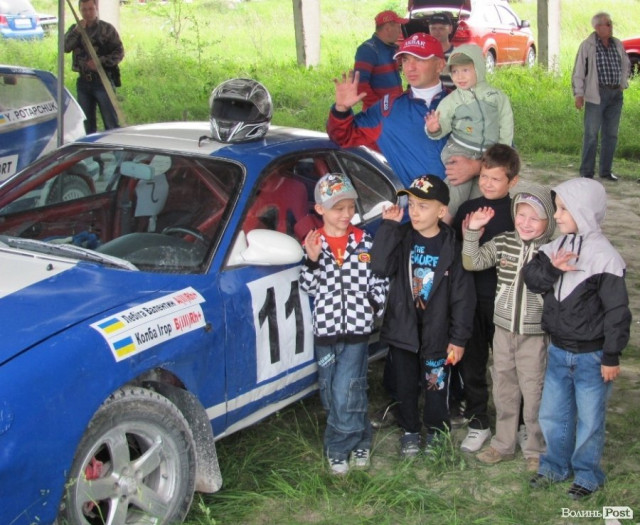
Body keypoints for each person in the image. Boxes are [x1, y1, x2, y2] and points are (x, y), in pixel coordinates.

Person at [523, 177, 631, 499]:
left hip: (591, 358)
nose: (556, 216)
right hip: (558, 350)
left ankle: (587, 473)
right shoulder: (555, 248)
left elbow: (617, 313)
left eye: (563, 209)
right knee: (553, 414)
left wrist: (611, 355)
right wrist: (553, 269)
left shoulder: (606, 258)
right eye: (556, 208)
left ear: (584, 210)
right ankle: (555, 466)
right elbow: (532, 279)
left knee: (590, 420)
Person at [370, 174, 475, 457]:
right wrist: (389, 227)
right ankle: (410, 431)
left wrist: (459, 339)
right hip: (403, 331)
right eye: (412, 204)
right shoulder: (402, 236)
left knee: (436, 386)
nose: (415, 212)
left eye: (423, 206)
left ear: (441, 211)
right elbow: (379, 266)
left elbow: (463, 298)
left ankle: (437, 430)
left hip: (438, 335)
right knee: (404, 386)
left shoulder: (452, 247)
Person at [328, 33, 481, 219]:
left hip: (472, 216)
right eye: (406, 60)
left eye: (419, 59)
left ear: (440, 65)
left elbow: (504, 155)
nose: (410, 67)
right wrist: (341, 110)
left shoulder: (468, 105)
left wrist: (475, 167)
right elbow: (343, 137)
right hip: (420, 219)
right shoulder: (388, 110)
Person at [298, 173, 388, 475]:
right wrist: (312, 260)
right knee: (334, 390)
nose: (347, 214)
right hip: (326, 330)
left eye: (351, 207)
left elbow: (380, 279)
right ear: (320, 209)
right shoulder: (315, 243)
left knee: (346, 389)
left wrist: (371, 306)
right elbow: (308, 287)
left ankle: (337, 448)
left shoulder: (364, 242)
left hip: (357, 331)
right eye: (338, 208)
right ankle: (362, 439)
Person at [462, 183, 556, 473]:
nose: (525, 223)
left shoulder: (552, 251)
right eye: (521, 215)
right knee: (503, 388)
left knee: (534, 391)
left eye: (535, 218)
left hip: (535, 335)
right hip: (502, 330)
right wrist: (472, 232)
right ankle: (503, 444)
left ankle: (535, 449)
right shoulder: (503, 242)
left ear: (549, 221)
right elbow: (472, 262)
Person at [451, 144, 518, 453]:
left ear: (513, 181)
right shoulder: (468, 209)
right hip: (471, 301)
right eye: (484, 177)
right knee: (473, 364)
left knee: (508, 367)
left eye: (496, 179)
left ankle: (517, 424)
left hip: (505, 303)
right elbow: (456, 252)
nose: (488, 184)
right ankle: (479, 422)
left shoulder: (518, 214)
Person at [425, 44, 514, 220]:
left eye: (465, 70)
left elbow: (506, 124)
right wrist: (434, 128)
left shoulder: (497, 96)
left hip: (488, 152)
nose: (459, 76)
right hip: (460, 150)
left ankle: (468, 230)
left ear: (479, 68)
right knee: (457, 192)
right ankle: (441, 228)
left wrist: (502, 154)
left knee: (480, 195)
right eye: (455, 71)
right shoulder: (452, 100)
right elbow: (443, 123)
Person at [572, 12, 631, 181]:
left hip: (615, 95)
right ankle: (587, 172)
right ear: (598, 27)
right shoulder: (588, 46)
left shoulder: (617, 43)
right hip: (596, 94)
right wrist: (579, 94)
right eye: (608, 24)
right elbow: (579, 71)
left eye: (611, 23)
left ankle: (605, 171)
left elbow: (626, 64)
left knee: (611, 134)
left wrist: (622, 83)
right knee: (591, 134)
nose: (611, 27)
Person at [64, 0, 124, 134]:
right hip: (83, 82)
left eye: (90, 9)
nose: (87, 13)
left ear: (96, 9)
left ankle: (115, 147)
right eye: (84, 9)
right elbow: (65, 47)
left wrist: (99, 62)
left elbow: (119, 52)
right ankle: (92, 148)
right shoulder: (75, 29)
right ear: (80, 10)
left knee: (111, 123)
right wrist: (77, 31)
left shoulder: (106, 29)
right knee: (87, 125)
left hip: (103, 81)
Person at [354, 10, 407, 110]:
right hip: (378, 114)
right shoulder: (368, 50)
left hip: (393, 109)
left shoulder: (391, 48)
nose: (400, 32)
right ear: (388, 29)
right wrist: (379, 108)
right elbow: (360, 85)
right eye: (398, 27)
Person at [428, 11, 456, 91]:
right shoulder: (423, 55)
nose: (437, 32)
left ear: (450, 29)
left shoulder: (458, 55)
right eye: (433, 28)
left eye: (441, 28)